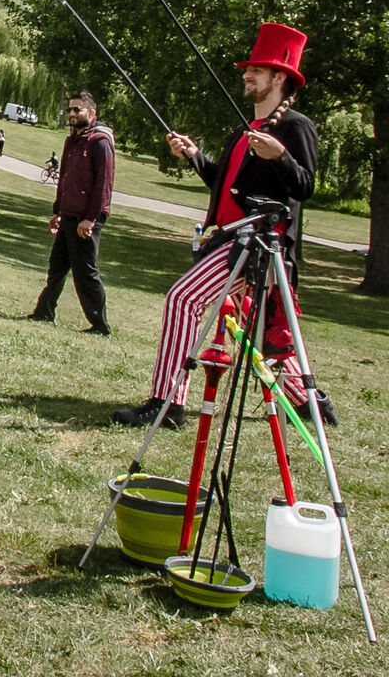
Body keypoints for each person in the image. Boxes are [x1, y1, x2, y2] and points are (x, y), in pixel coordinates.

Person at [113, 23, 330, 428]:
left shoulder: (295, 127)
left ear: (279, 78)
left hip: (259, 247)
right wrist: (195, 156)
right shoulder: (242, 130)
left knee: (183, 299)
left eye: (257, 70)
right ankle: (310, 400)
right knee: (258, 331)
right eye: (248, 69)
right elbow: (226, 186)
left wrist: (279, 155)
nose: (247, 75)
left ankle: (167, 403)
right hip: (228, 239)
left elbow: (304, 186)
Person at [26, 91, 115, 334]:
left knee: (85, 272)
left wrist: (91, 218)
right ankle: (44, 311)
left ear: (92, 113)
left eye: (78, 110)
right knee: (56, 267)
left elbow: (104, 185)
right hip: (69, 215)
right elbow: (65, 178)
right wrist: (58, 212)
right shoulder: (72, 140)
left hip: (86, 219)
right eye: (70, 110)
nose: (72, 114)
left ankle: (100, 325)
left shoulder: (100, 142)